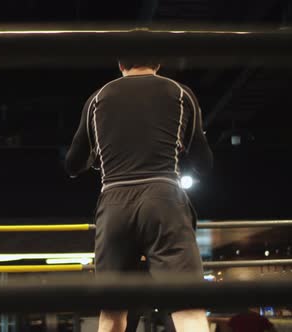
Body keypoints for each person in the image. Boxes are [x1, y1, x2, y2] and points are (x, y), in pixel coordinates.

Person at [65, 57, 213, 332]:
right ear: (159, 62)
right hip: (164, 197)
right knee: (188, 308)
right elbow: (204, 163)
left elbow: (72, 164)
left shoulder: (98, 98)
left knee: (111, 312)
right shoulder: (180, 93)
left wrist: (97, 158)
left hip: (114, 202)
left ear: (120, 63)